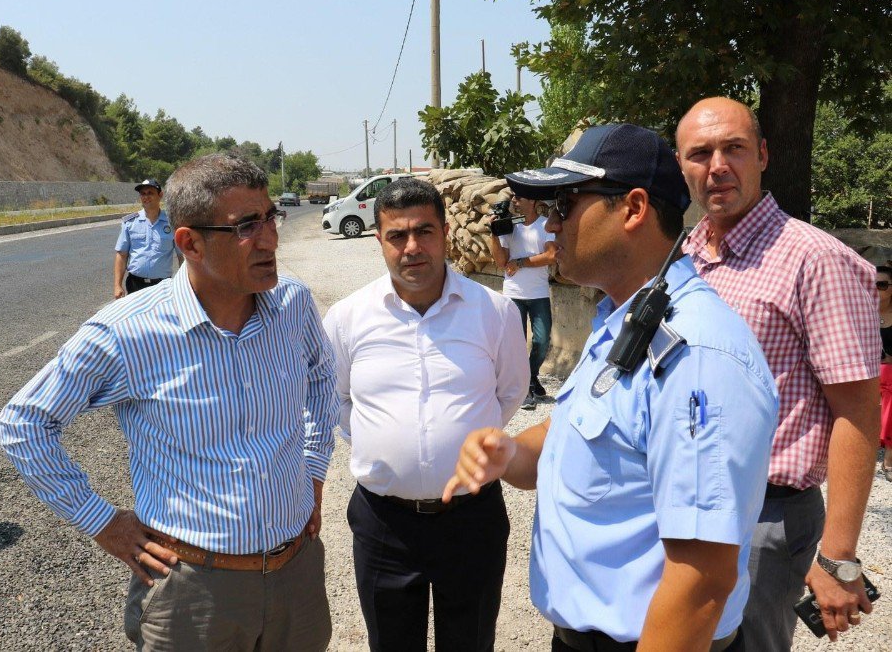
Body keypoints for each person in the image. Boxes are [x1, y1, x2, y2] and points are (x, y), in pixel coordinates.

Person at [444, 124, 779, 651]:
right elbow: (585, 432)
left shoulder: (697, 356)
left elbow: (702, 581)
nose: (550, 225)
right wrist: (509, 451)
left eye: (566, 205)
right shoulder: (623, 317)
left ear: (633, 208)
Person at [0, 154, 338, 651]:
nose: (269, 239)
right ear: (189, 243)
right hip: (194, 592)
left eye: (269, 217)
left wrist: (313, 465)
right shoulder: (127, 333)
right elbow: (24, 422)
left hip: (297, 574)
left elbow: (322, 376)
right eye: (246, 226)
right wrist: (102, 522)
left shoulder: (292, 304)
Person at [676, 97, 880, 647]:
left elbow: (858, 412)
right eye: (699, 153)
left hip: (766, 519)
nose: (717, 165)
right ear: (681, 165)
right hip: (682, 502)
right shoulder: (685, 258)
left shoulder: (814, 260)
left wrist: (837, 557)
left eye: (734, 148)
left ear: (763, 155)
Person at [322, 177, 529, 652]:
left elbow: (510, 391)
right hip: (384, 524)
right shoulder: (348, 317)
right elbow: (336, 399)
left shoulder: (494, 312)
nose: (412, 247)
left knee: (470, 642)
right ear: (379, 240)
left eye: (424, 232)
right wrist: (386, 446)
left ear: (445, 233)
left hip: (471, 520)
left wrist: (453, 444)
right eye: (397, 235)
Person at [488, 193, 558, 410]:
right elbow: (501, 261)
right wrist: (494, 233)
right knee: (517, 343)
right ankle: (526, 387)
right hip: (513, 293)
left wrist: (521, 262)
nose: (514, 202)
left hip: (538, 292)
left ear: (534, 202)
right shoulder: (509, 227)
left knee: (542, 341)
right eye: (514, 198)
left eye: (519, 198)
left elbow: (551, 255)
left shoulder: (545, 226)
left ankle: (530, 376)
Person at [114, 178, 183, 298]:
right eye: (143, 194)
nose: (146, 197)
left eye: (150, 193)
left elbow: (182, 256)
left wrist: (183, 284)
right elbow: (122, 255)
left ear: (160, 195)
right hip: (135, 284)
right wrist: (117, 285)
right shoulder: (130, 222)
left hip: (162, 286)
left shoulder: (172, 223)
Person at [879, 265, 892, 478]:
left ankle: (889, 455)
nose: (875, 289)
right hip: (863, 369)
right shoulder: (861, 312)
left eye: (881, 284)